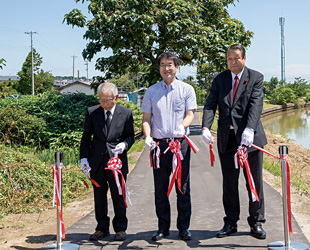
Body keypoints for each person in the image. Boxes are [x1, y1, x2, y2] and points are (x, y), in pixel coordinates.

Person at [202, 44, 268, 239]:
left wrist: (249, 129)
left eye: (236, 58)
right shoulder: (220, 79)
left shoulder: (255, 77)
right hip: (227, 139)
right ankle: (230, 222)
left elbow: (256, 105)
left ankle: (256, 222)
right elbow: (210, 104)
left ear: (244, 58)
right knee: (229, 183)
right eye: (229, 58)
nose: (233, 61)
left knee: (253, 182)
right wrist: (206, 126)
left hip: (250, 139)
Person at [141, 52, 197, 241]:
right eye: (163, 64)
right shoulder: (151, 91)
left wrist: (183, 125)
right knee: (160, 188)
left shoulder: (186, 89)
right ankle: (162, 227)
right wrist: (148, 136)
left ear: (176, 67)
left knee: (183, 187)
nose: (167, 68)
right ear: (159, 68)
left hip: (180, 144)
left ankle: (183, 227)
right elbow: (146, 119)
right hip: (159, 146)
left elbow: (190, 114)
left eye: (170, 64)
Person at [80, 82, 135, 241]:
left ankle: (120, 228)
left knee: (118, 195)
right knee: (99, 195)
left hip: (117, 161)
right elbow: (86, 137)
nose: (104, 104)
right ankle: (101, 227)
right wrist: (84, 157)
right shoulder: (92, 112)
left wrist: (124, 145)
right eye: (101, 100)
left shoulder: (125, 113)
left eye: (108, 100)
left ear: (116, 98)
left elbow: (130, 136)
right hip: (96, 161)